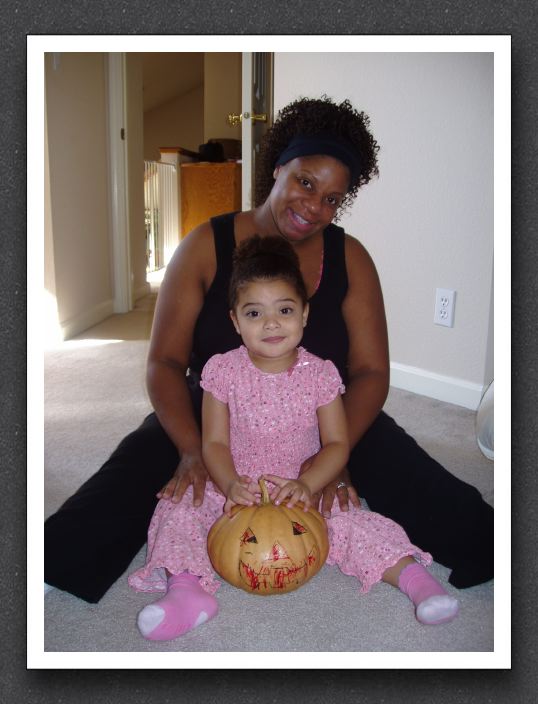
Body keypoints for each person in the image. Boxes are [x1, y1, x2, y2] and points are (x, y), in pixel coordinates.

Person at [44, 95, 493, 605]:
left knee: (427, 487)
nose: (314, 207)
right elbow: (164, 363)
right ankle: (60, 565)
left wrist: (334, 452)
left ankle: (485, 549)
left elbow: (370, 372)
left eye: (332, 198)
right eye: (305, 182)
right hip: (215, 410)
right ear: (278, 167)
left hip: (323, 412)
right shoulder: (202, 246)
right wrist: (192, 449)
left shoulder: (351, 258)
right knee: (136, 478)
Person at [128, 235, 459, 641]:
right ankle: (186, 592)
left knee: (354, 523)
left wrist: (310, 483)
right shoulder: (222, 372)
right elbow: (213, 443)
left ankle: (416, 582)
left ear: (304, 314)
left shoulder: (320, 375)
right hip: (237, 486)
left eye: (284, 310)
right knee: (179, 507)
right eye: (254, 312)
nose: (271, 323)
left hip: (301, 489)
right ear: (235, 321)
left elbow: (337, 443)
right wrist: (229, 483)